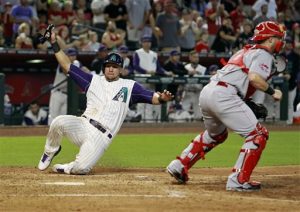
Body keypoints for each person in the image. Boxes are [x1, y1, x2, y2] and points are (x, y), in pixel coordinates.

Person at [166, 21, 286, 191]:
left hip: (209, 92)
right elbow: (254, 78)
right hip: (224, 95)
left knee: (217, 135)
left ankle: (179, 164)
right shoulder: (263, 53)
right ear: (270, 39)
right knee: (258, 135)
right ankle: (238, 180)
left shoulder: (243, 51)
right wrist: (273, 92)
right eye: (278, 38)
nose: (280, 41)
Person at [37, 26, 174, 174]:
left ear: (120, 70)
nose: (110, 69)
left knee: (81, 168)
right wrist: (53, 43)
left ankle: (67, 167)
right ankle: (50, 151)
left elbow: (152, 98)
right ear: (104, 68)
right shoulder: (92, 80)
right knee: (58, 122)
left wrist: (162, 98)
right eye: (108, 66)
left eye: (115, 67)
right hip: (83, 125)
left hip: (101, 137)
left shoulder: (130, 86)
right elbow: (66, 65)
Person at [48, 48, 82, 125]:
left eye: (74, 55)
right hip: (57, 93)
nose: (73, 57)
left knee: (63, 118)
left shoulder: (76, 63)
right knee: (53, 116)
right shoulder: (62, 62)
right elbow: (66, 71)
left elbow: (83, 69)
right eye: (71, 56)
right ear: (66, 56)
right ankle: (48, 133)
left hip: (67, 94)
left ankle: (60, 135)